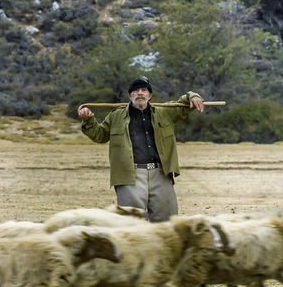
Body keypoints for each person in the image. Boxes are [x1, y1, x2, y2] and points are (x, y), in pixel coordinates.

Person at [78, 76, 204, 222]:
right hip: (130, 176)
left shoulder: (166, 112)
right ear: (129, 95)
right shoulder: (116, 116)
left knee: (167, 224)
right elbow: (99, 135)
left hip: (161, 174)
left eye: (144, 90)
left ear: (149, 95)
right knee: (131, 224)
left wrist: (193, 96)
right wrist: (88, 120)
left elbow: (183, 103)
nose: (140, 93)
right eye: (135, 90)